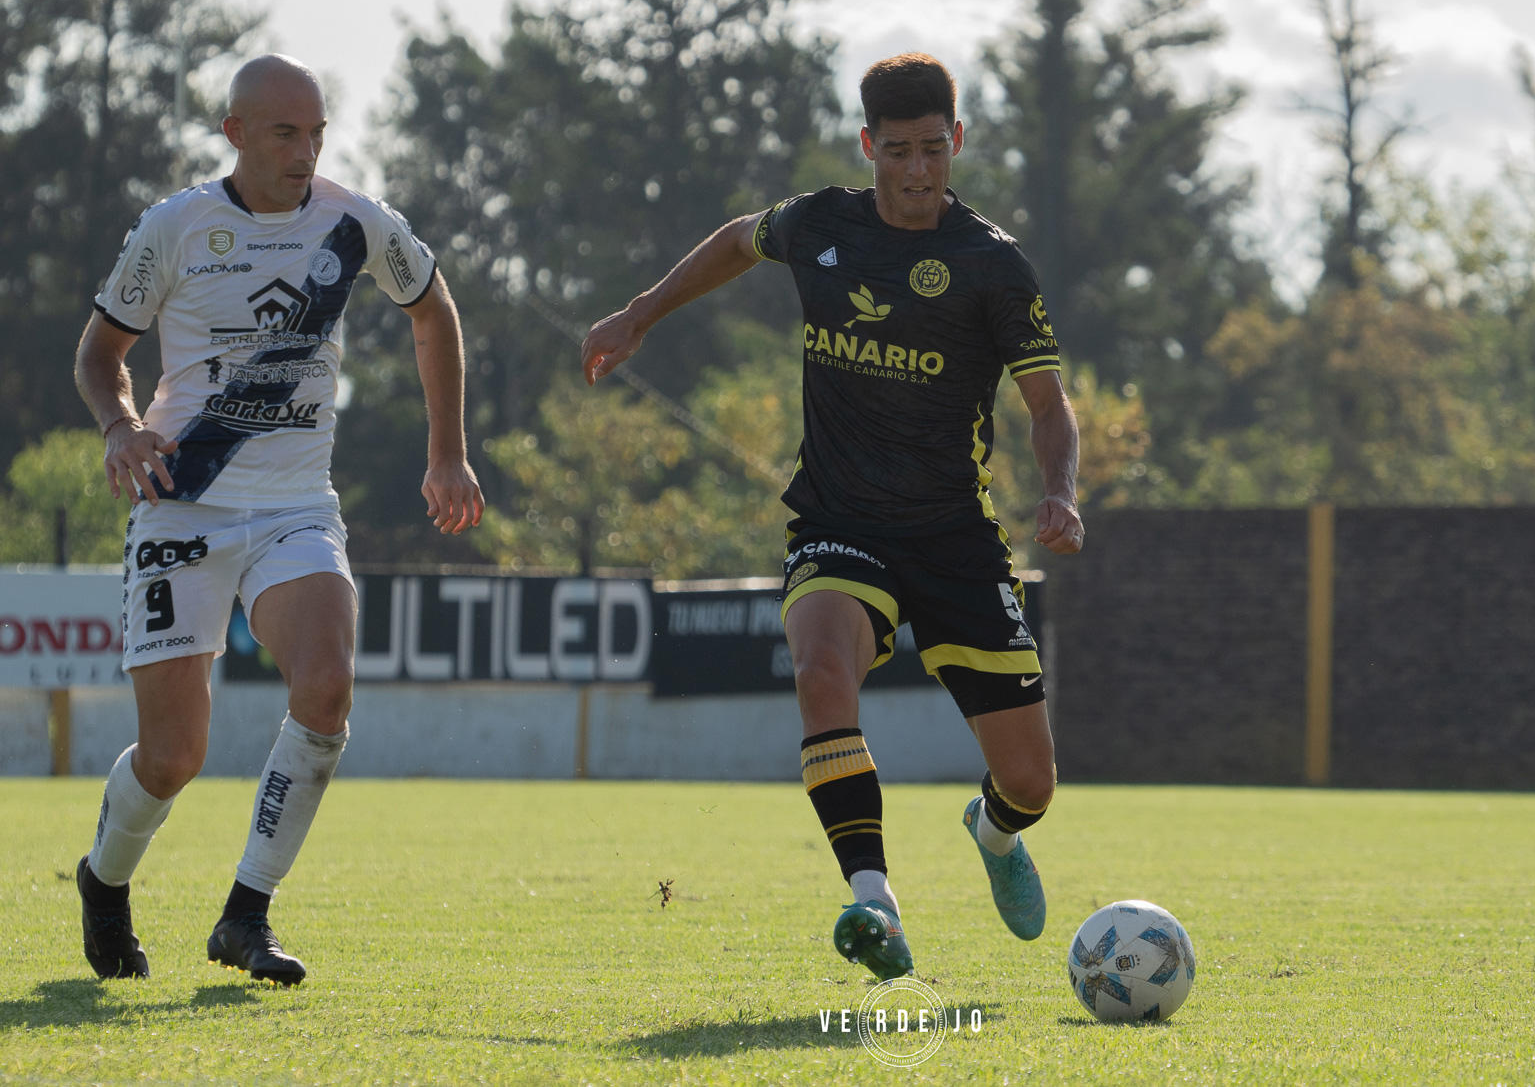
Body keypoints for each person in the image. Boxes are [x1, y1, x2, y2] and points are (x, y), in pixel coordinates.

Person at [580, 53, 1082, 979]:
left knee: (1031, 782)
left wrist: (1059, 490)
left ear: (957, 141)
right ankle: (873, 902)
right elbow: (739, 239)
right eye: (899, 152)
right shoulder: (819, 224)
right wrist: (641, 314)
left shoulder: (992, 265)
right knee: (819, 668)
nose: (920, 170)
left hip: (956, 539)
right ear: (868, 147)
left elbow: (1048, 405)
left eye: (935, 149)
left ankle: (995, 835)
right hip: (839, 520)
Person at [72, 54, 484, 984]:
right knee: (175, 756)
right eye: (285, 134)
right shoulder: (175, 227)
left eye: (318, 134)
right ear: (236, 135)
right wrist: (121, 427)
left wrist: (447, 450)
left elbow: (434, 309)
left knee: (328, 686)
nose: (306, 154)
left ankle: (245, 915)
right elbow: (100, 354)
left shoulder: (354, 221)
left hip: (296, 505)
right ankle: (104, 881)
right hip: (182, 501)